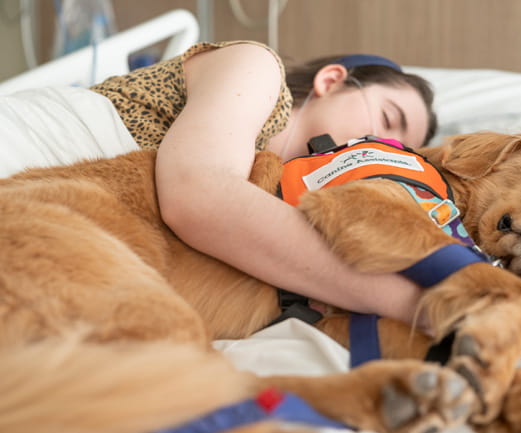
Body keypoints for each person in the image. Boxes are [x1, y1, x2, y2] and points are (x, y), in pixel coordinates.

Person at [90, 40, 438, 327]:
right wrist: (421, 306)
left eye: (399, 151)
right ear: (331, 81)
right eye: (388, 119)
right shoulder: (255, 66)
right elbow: (198, 199)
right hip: (50, 159)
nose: (381, 147)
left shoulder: (279, 200)